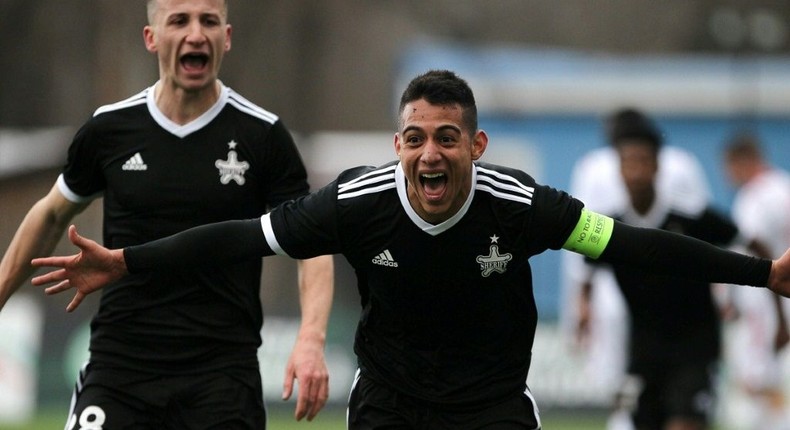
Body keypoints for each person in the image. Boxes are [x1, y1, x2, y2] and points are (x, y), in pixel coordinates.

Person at [30, 70, 790, 430]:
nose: (431, 154)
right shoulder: (356, 205)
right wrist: (127, 261)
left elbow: (637, 246)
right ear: (399, 145)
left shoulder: (523, 207)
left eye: (448, 138)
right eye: (417, 139)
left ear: (476, 146)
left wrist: (764, 275)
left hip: (491, 407)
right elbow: (240, 238)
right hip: (391, 405)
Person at [0, 0, 333, 428]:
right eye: (179, 20)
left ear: (226, 38)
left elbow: (310, 243)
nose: (196, 33)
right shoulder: (109, 129)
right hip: (121, 368)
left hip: (222, 375)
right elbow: (50, 214)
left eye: (209, 21)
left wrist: (310, 338)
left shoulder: (262, 135)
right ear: (151, 38)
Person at [576, 113, 772, 430]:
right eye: (627, 163)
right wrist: (583, 310)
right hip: (643, 353)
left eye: (643, 161)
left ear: (657, 166)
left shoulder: (691, 218)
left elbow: (750, 241)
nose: (635, 172)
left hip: (695, 348)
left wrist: (773, 278)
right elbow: (587, 273)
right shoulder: (610, 229)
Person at [561, 108, 711, 413]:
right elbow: (703, 228)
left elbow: (581, 237)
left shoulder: (591, 166)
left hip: (613, 280)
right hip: (675, 282)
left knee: (625, 374)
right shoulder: (682, 162)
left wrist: (580, 301)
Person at [721, 132, 790, 430]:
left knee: (756, 386)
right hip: (784, 302)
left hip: (766, 303)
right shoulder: (784, 186)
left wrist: (728, 300)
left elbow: (754, 252)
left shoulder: (754, 196)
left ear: (742, 161)